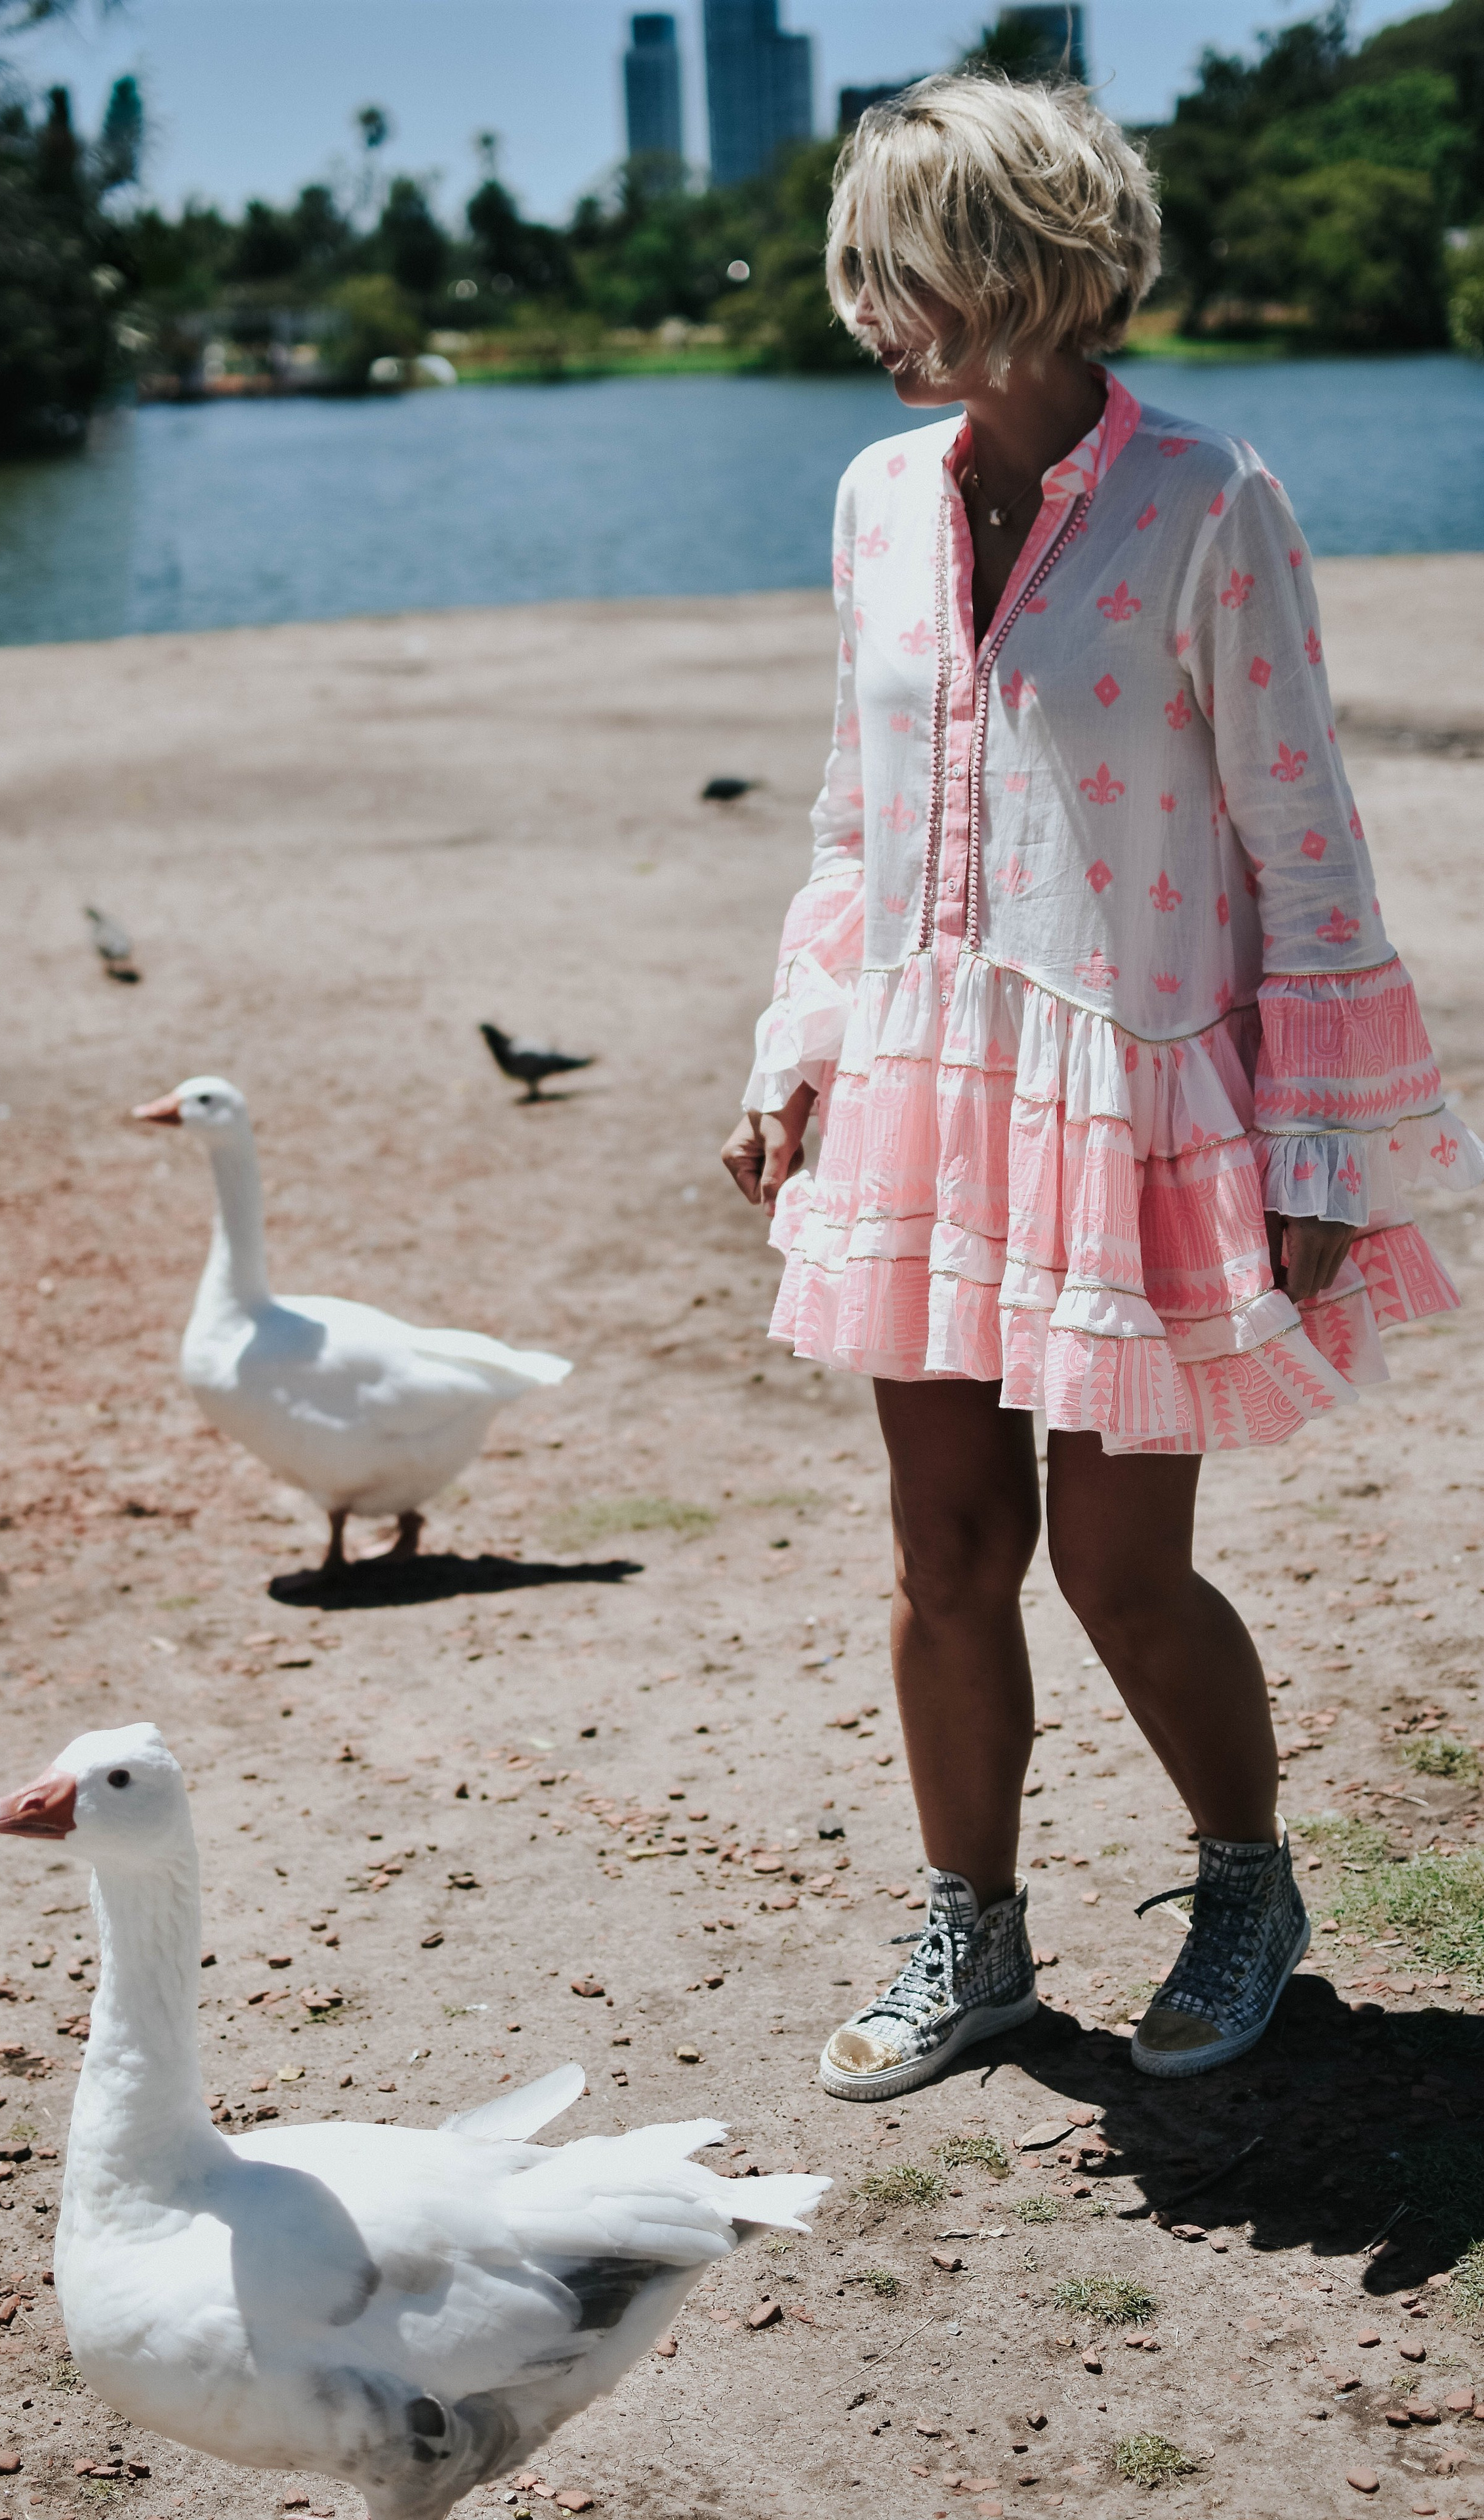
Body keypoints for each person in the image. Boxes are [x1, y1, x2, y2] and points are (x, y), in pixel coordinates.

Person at [721, 74, 1483, 2099]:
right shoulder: (876, 500)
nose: (869, 314)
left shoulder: (1207, 498)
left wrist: (1316, 1131)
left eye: (901, 272)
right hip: (923, 1080)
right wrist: (799, 1053)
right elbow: (855, 811)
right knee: (943, 1556)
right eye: (861, 274)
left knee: (1116, 1565)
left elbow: (1303, 835)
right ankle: (972, 1935)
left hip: (1137, 1101)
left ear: (1021, 271)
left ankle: (1248, 1887)